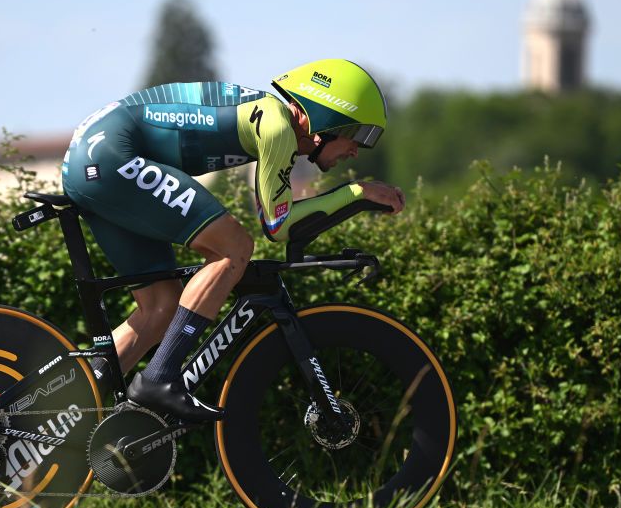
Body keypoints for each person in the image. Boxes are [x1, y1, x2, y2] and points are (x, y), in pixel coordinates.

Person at [60, 59, 405, 422]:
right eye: (358, 135)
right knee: (234, 248)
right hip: (111, 155)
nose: (357, 150)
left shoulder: (271, 120)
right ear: (324, 120)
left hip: (97, 158)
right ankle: (160, 379)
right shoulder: (276, 126)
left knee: (160, 309)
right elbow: (279, 225)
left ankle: (55, 417)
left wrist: (354, 196)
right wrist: (356, 193)